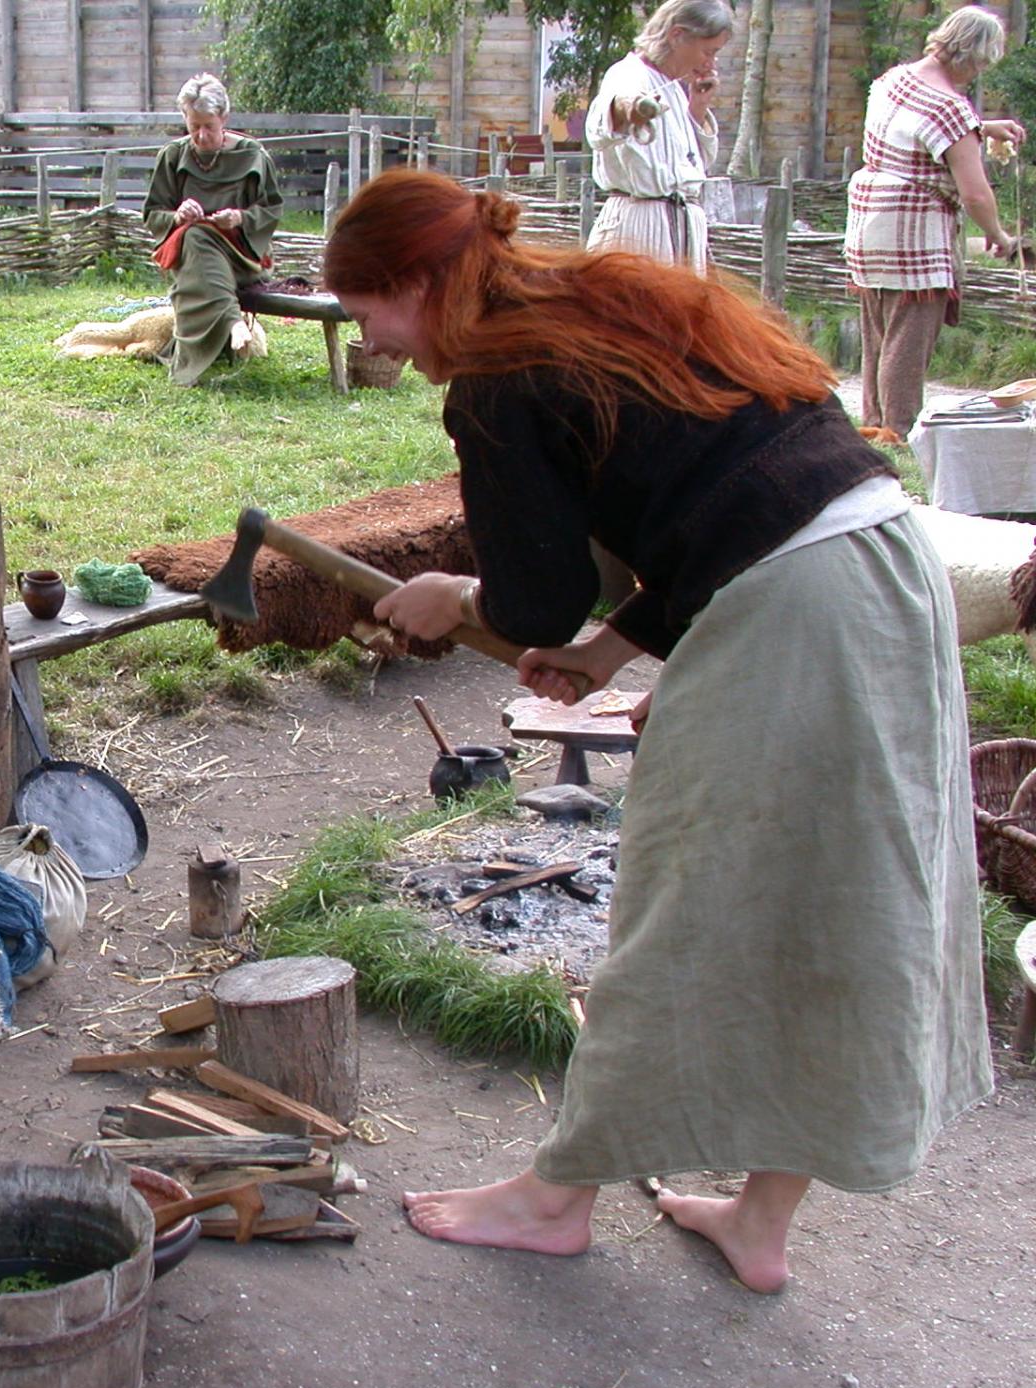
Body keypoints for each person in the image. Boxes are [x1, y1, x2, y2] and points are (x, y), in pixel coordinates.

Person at [326, 168, 990, 1294]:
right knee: (835, 896)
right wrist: (610, 649)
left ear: (421, 281)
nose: (373, 340)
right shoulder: (612, 296)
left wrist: (453, 594)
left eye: (367, 310)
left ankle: (553, 1200)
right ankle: (760, 1222)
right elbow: (724, 490)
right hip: (884, 566)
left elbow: (530, 599)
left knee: (681, 896)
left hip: (799, 605)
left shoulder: (495, 375)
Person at [845, 6, 1025, 437]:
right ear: (967, 53)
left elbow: (916, 128)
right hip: (914, 233)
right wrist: (998, 235)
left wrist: (982, 127)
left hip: (870, 225)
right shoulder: (950, 109)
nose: (978, 72)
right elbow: (975, 193)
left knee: (879, 333)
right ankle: (899, 431)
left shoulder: (895, 80)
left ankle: (873, 424)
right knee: (908, 340)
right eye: (981, 62)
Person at [142, 73, 284, 386]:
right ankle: (233, 322)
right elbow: (153, 215)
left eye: (209, 126)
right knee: (195, 234)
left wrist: (240, 219)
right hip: (194, 255)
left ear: (224, 118)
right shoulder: (173, 156)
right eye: (194, 127)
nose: (202, 136)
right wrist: (178, 216)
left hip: (242, 259)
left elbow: (272, 210)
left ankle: (226, 327)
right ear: (185, 120)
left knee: (198, 238)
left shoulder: (253, 156)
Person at [584, 0, 734, 273]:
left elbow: (693, 165)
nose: (710, 63)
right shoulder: (629, 74)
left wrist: (698, 108)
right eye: (707, 52)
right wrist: (630, 108)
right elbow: (599, 125)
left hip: (679, 230)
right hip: (639, 230)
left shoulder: (675, 89)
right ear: (677, 35)